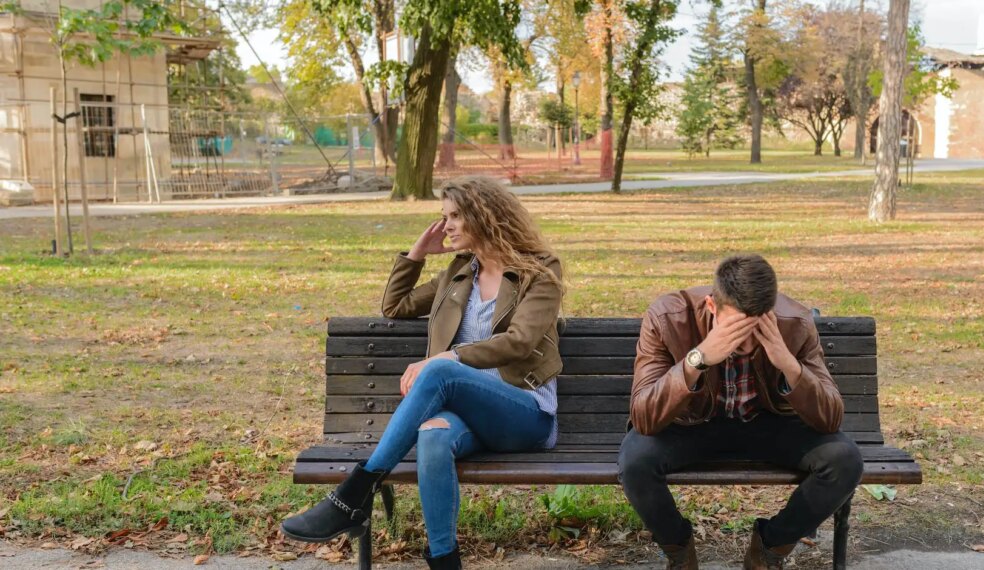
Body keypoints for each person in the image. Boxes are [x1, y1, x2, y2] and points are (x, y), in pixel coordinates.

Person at [281, 176, 565, 570]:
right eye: (443, 216)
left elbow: (519, 342)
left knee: (440, 371)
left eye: (453, 216)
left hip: (526, 413)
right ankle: (444, 560)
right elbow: (395, 307)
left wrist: (444, 359)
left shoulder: (540, 270)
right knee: (432, 436)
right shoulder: (459, 273)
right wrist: (416, 255)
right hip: (470, 417)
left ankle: (355, 493)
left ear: (483, 216)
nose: (445, 225)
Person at [618, 255, 862, 570]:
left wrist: (787, 362)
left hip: (766, 425)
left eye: (756, 328)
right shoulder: (667, 317)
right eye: (734, 328)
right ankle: (679, 551)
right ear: (711, 306)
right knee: (635, 461)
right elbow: (644, 418)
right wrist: (698, 359)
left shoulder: (796, 323)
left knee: (844, 460)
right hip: (692, 426)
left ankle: (768, 550)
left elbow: (830, 419)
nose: (744, 341)